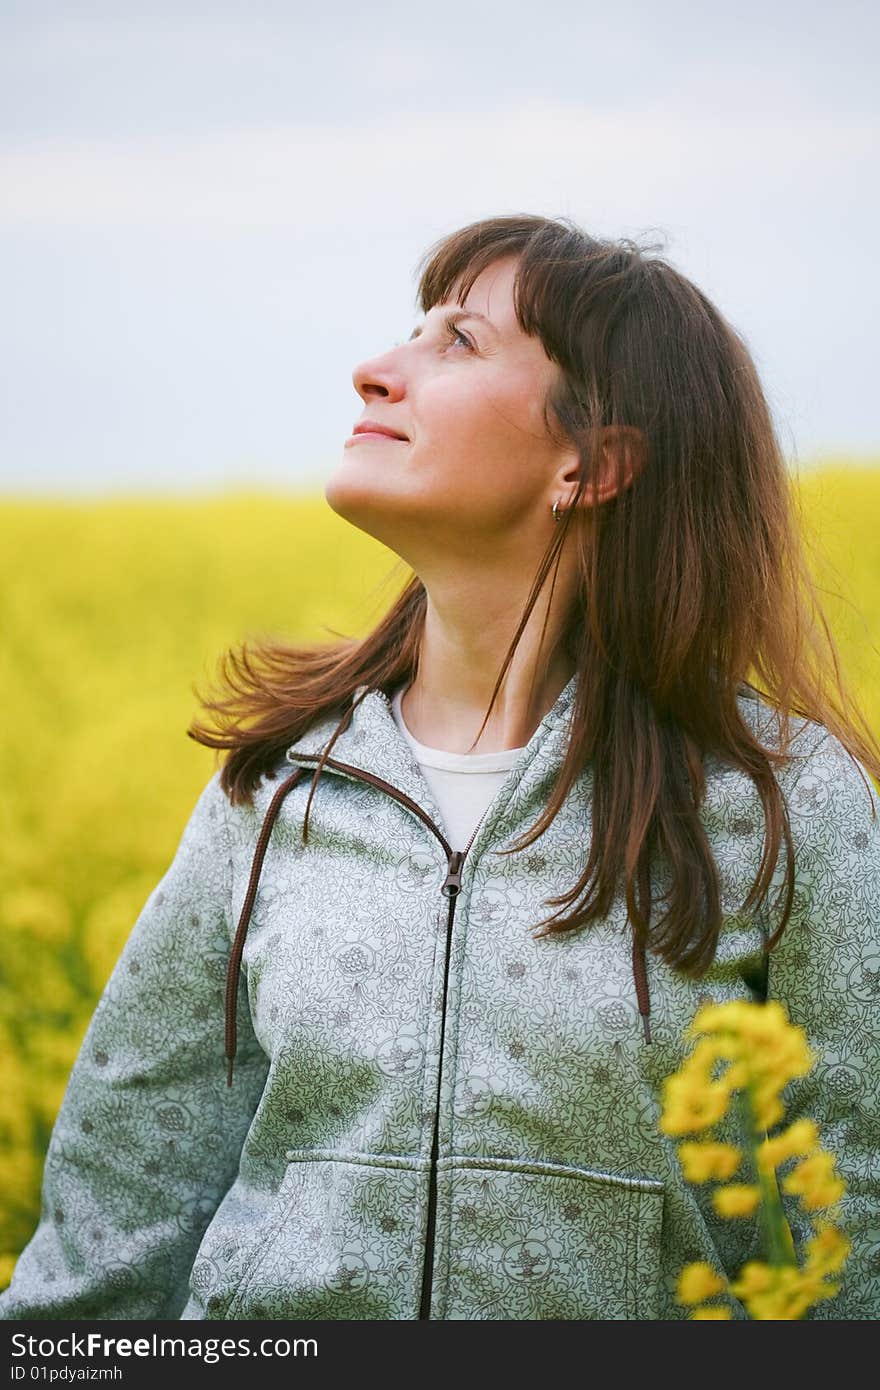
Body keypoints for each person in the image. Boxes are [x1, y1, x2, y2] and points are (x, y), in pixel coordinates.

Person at [2, 213, 879, 1322]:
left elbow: (859, 1225)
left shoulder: (778, 805)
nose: (374, 371)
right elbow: (121, 1197)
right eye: (408, 335)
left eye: (457, 343)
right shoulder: (278, 785)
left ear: (594, 461)